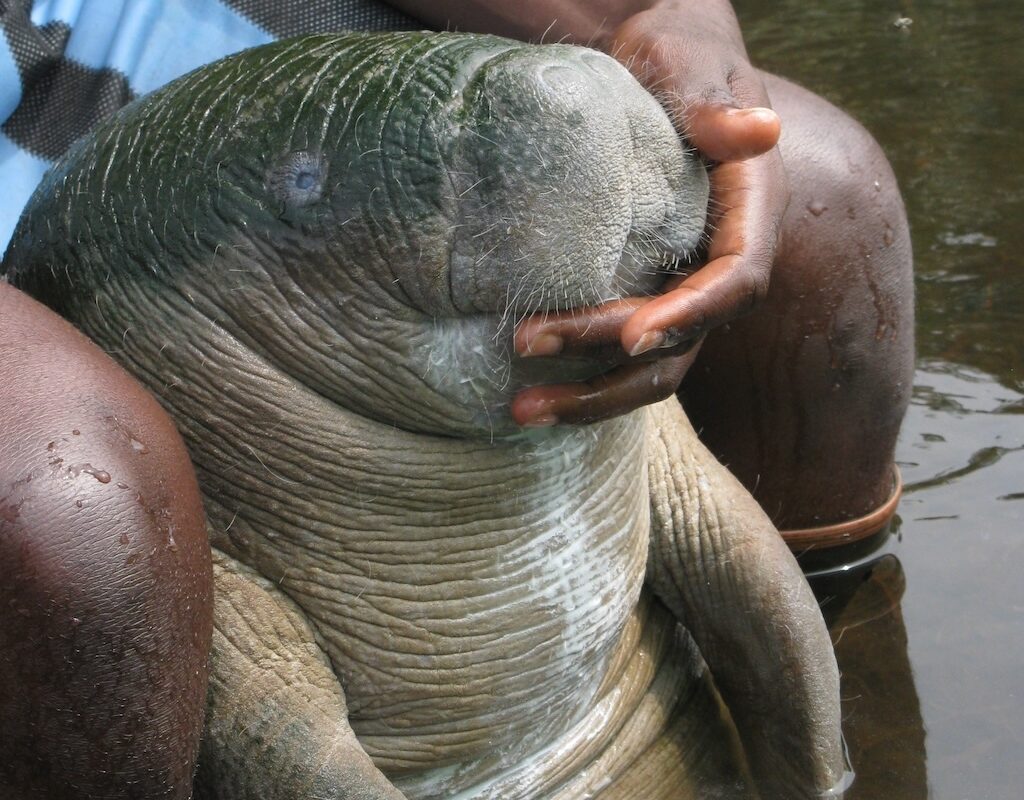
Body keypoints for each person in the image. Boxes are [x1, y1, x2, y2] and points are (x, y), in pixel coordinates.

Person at [0, 1, 913, 796]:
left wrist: (667, 5)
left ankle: (855, 676)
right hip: (151, 269)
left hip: (207, 84)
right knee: (75, 506)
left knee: (821, 184)